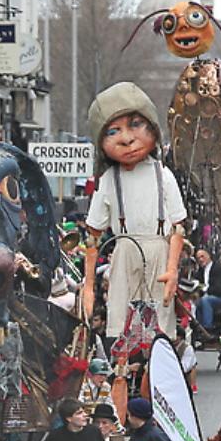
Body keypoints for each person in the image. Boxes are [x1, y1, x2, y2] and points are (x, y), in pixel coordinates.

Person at [85, 82, 188, 337]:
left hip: (159, 251)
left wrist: (172, 269)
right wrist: (88, 286)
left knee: (160, 329)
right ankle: (122, 373)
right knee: (121, 325)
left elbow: (177, 227)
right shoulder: (108, 179)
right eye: (113, 131)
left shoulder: (162, 175)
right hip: (124, 249)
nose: (127, 139)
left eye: (135, 125)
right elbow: (93, 236)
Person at [193, 249, 221, 337]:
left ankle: (207, 328)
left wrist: (205, 289)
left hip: (219, 298)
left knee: (205, 300)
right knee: (196, 302)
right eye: (198, 258)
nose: (201, 260)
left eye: (202, 256)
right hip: (205, 298)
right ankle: (198, 329)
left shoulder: (218, 268)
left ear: (208, 256)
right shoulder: (200, 271)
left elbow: (220, 288)